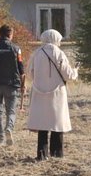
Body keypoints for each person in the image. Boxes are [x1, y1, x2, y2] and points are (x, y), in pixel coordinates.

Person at [27, 28, 78, 161]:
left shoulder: (36, 53)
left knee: (42, 124)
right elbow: (68, 75)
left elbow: (30, 73)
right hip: (57, 94)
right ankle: (57, 154)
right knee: (57, 123)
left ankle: (42, 154)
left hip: (39, 92)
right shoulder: (59, 53)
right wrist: (75, 71)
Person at [0, 25, 26, 146]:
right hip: (11, 84)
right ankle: (9, 128)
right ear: (10, 35)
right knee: (11, 111)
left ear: (0, 34)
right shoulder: (16, 49)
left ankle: (0, 138)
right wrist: (23, 84)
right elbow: (21, 68)